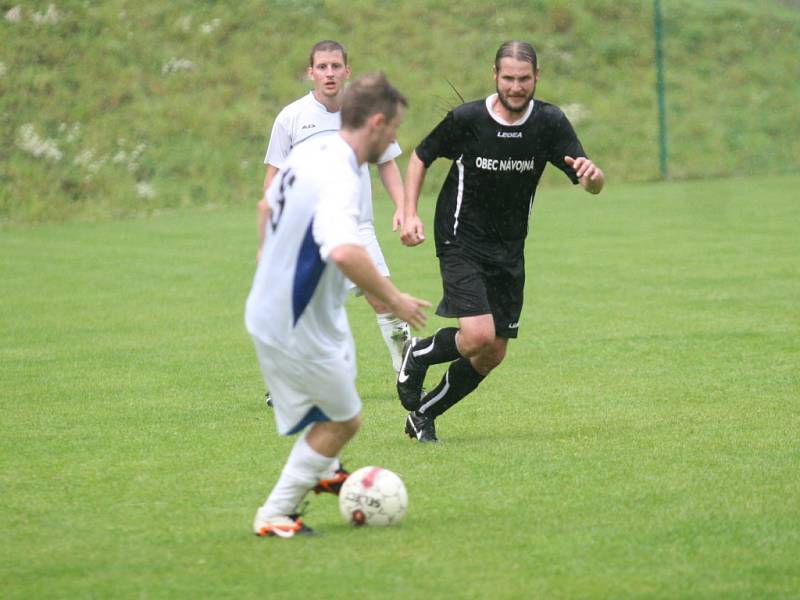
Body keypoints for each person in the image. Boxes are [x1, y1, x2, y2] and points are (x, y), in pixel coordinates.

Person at [246, 73, 429, 538]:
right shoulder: (341, 176)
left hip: (292, 308)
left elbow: (266, 206)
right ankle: (275, 513)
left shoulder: (312, 151)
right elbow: (344, 251)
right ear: (377, 122)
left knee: (341, 378)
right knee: (345, 419)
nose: (393, 140)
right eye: (393, 130)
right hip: (293, 317)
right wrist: (395, 299)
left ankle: (324, 471)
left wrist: (271, 262)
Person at [397, 40, 605, 443]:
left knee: (492, 352)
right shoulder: (468, 118)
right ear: (495, 76)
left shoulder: (549, 122)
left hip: (509, 248)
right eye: (508, 78)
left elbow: (589, 181)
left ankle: (423, 414)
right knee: (475, 336)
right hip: (460, 238)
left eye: (524, 79)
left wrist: (594, 179)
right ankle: (419, 354)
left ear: (537, 77)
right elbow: (421, 156)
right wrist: (409, 211)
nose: (515, 86)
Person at [258, 41, 411, 410]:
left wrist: (404, 207)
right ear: (311, 72)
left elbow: (387, 163)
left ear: (347, 70)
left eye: (335, 66)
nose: (329, 73)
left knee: (382, 296)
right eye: (322, 67)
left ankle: (407, 366)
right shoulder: (291, 117)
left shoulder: (366, 115)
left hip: (356, 226)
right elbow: (274, 177)